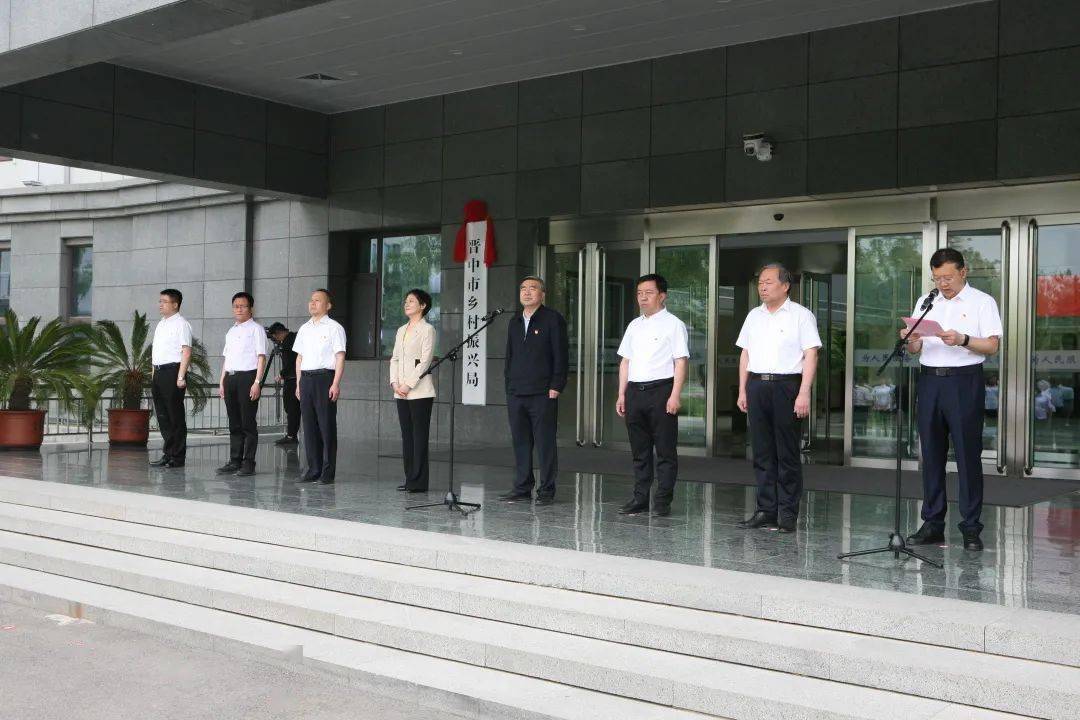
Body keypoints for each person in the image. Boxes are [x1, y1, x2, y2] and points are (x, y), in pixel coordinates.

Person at [904, 248, 1002, 552]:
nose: (942, 283)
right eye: (937, 278)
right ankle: (932, 523)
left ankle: (971, 527)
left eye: (947, 277)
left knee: (966, 456)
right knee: (931, 455)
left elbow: (992, 346)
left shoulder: (982, 302)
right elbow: (914, 349)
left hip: (964, 381)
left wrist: (963, 340)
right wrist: (912, 340)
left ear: (963, 271)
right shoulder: (926, 300)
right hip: (930, 380)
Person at [735, 264, 821, 533]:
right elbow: (745, 355)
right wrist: (742, 389)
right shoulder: (753, 316)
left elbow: (811, 354)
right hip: (758, 385)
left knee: (787, 453)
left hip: (787, 386)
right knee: (761, 452)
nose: (762, 287)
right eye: (760, 282)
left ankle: (787, 513)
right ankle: (765, 510)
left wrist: (804, 391)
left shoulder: (801, 316)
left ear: (785, 286)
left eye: (769, 282)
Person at [614, 274, 689, 518]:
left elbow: (680, 361)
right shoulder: (634, 325)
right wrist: (621, 394)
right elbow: (625, 361)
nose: (642, 297)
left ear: (662, 295)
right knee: (640, 450)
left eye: (648, 292)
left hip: (661, 391)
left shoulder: (674, 324)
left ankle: (662, 501)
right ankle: (640, 498)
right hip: (635, 391)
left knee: (665, 450)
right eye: (639, 293)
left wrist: (675, 395)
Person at [499, 276, 569, 506]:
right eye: (523, 288)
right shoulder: (515, 321)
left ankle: (547, 490)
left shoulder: (552, 319)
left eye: (533, 288)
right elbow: (509, 356)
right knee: (520, 442)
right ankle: (522, 487)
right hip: (516, 392)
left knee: (545, 442)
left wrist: (556, 386)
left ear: (543, 294)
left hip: (543, 392)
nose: (527, 292)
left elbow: (561, 355)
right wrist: (508, 385)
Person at [293, 289, 347, 485]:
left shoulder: (335, 328)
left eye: (318, 300)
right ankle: (313, 469)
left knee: (326, 426)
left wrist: (335, 383)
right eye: (311, 300)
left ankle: (327, 471)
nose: (312, 303)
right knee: (308, 426)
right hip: (306, 379)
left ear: (328, 305)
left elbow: (340, 357)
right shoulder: (304, 328)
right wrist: (299, 383)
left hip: (325, 378)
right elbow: (299, 358)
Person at [389, 289, 437, 494]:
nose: (406, 304)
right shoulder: (401, 330)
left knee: (419, 436)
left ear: (423, 305)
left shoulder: (427, 330)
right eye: (405, 301)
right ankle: (410, 478)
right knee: (407, 435)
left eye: (411, 301)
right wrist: (394, 383)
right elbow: (394, 359)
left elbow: (425, 361)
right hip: (400, 391)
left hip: (419, 391)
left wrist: (408, 384)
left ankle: (419, 481)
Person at [216, 292, 268, 477]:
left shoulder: (256, 329)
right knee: (234, 422)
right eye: (236, 306)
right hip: (231, 378)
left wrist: (257, 382)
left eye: (243, 306)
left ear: (250, 308)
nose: (239, 309)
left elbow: (261, 357)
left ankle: (248, 463)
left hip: (248, 377)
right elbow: (227, 358)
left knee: (247, 422)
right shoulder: (231, 331)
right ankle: (234, 460)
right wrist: (222, 381)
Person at [149, 289, 193, 468]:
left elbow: (186, 351)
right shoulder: (161, 324)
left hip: (173, 372)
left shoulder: (181, 324)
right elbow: (157, 352)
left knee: (175, 416)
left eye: (164, 301)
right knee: (163, 416)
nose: (160, 304)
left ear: (175, 304)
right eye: (160, 301)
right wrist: (153, 374)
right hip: (159, 372)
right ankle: (168, 453)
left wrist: (181, 376)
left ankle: (178, 456)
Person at [268, 322, 300, 445]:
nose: (275, 340)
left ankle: (291, 435)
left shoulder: (288, 342)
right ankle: (292, 434)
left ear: (278, 333)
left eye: (274, 337)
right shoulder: (295, 338)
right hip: (296, 378)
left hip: (292, 379)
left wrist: (281, 374)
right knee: (294, 409)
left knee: (291, 409)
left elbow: (291, 361)